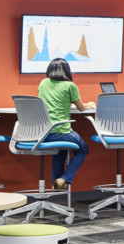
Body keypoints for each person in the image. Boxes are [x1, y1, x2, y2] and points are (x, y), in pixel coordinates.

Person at [37, 58, 94, 187]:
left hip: (43, 132)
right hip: (60, 131)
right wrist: (89, 104)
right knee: (83, 150)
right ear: (67, 71)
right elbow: (81, 108)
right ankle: (64, 180)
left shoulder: (43, 83)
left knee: (61, 150)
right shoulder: (70, 86)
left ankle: (55, 183)